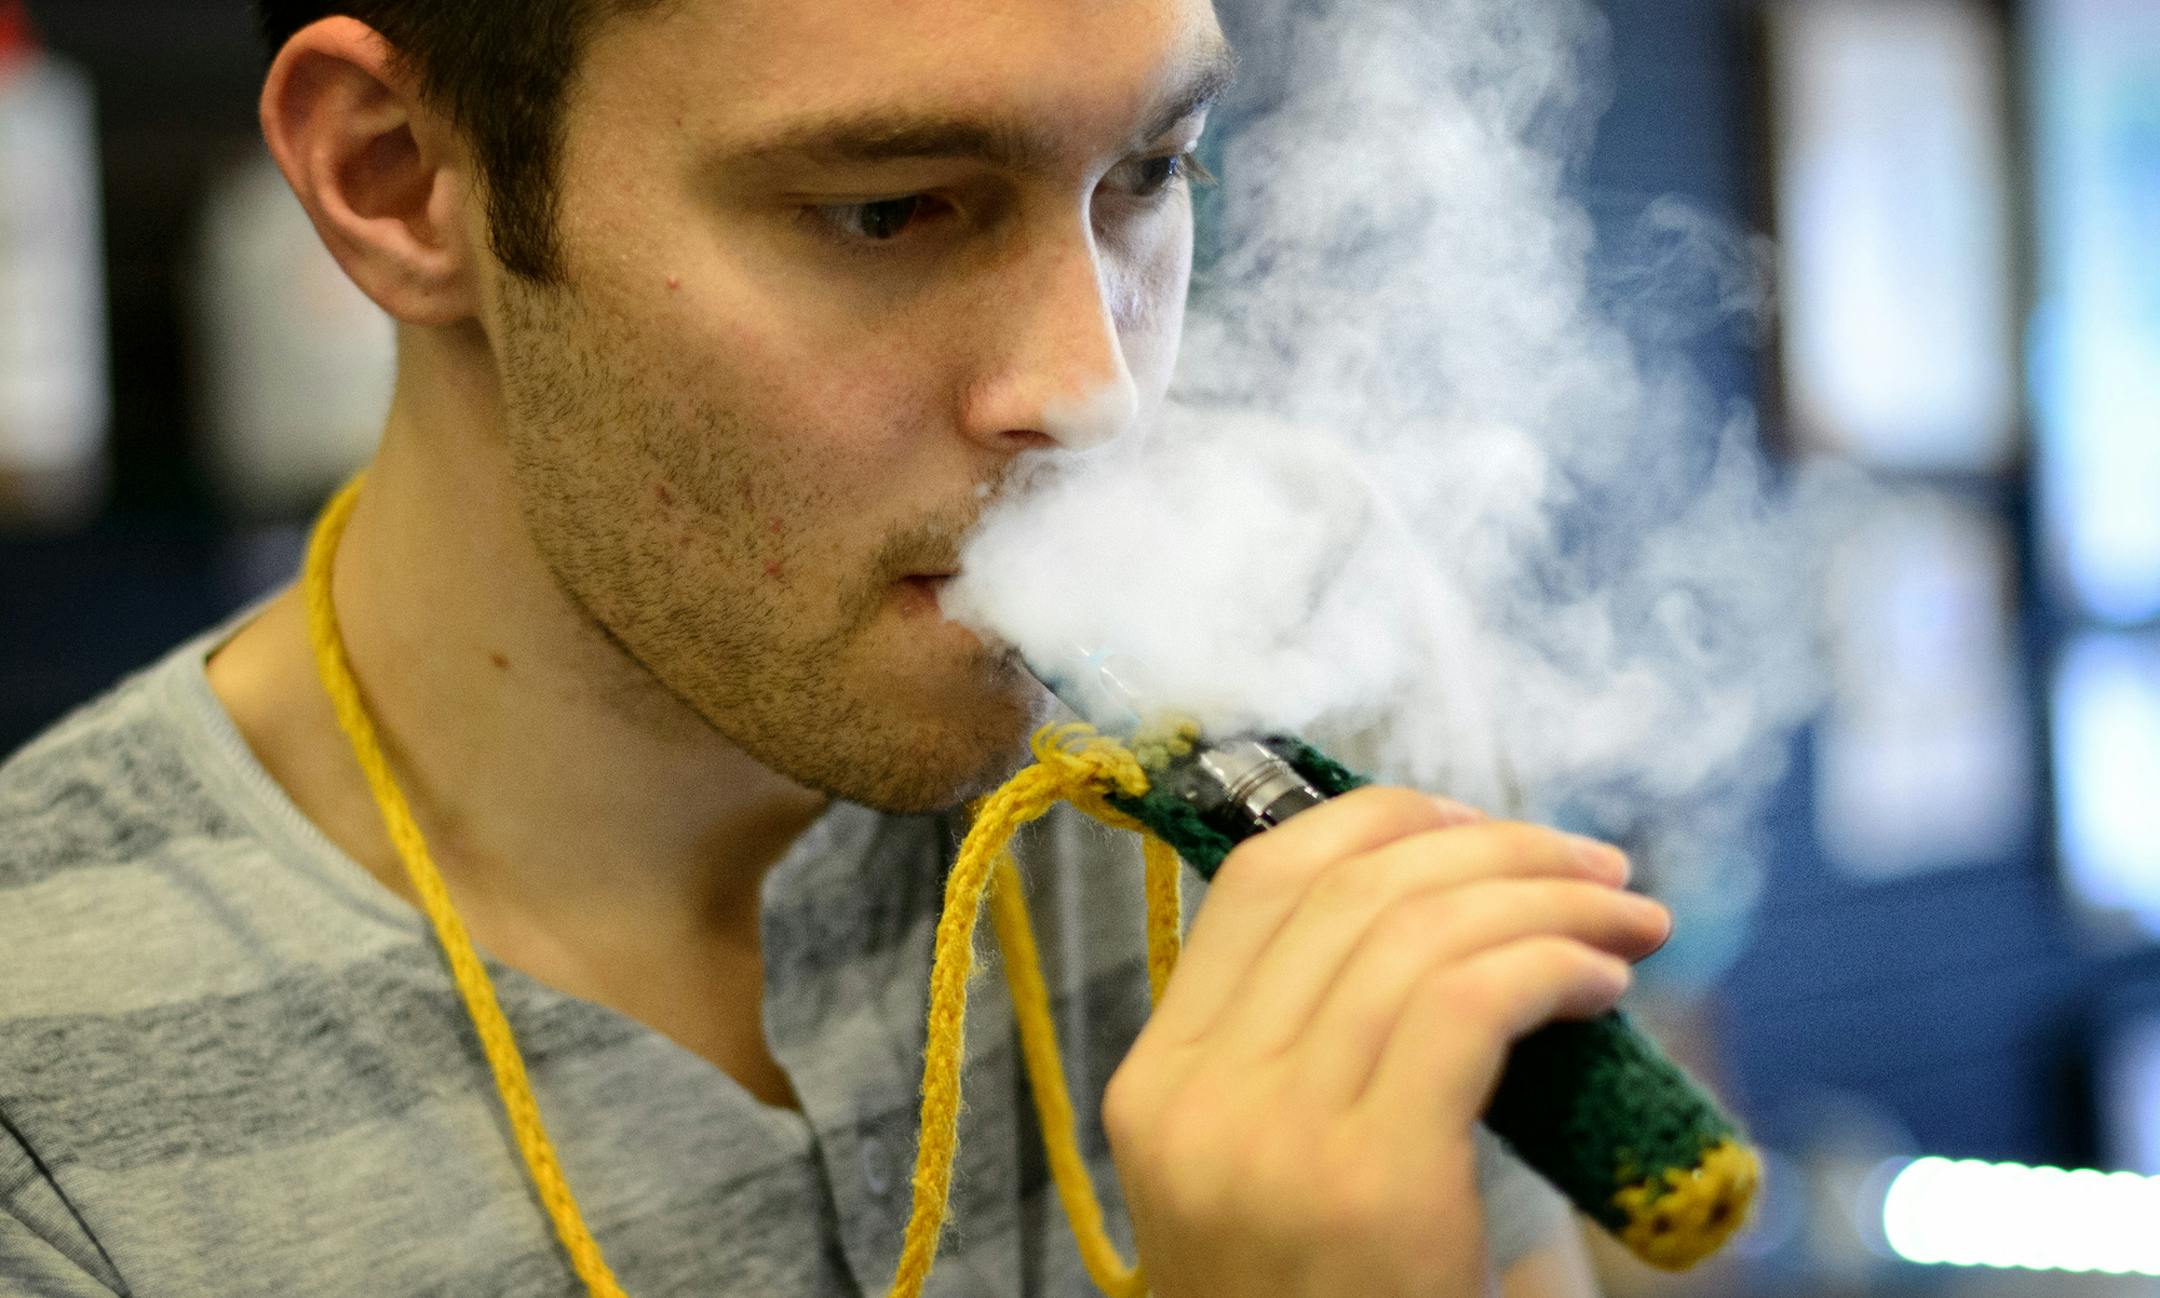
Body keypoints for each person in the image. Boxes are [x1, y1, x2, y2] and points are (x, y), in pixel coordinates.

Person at [0, 1, 1674, 1294]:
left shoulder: (1306, 615)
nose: (1094, 395)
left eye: (1149, 173)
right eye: (886, 211)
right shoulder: (45, 1100)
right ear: (395, 178)